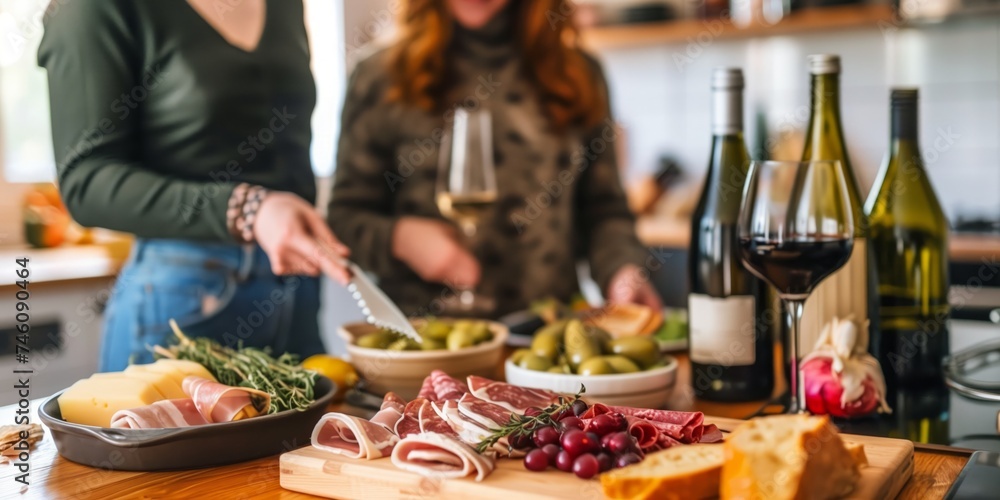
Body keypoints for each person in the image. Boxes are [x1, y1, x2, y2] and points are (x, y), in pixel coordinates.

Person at [38, 0, 349, 371]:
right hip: (182, 306)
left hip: (297, 290)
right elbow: (86, 182)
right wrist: (249, 209)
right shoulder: (95, 7)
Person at [328, 0, 662, 318]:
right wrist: (399, 239)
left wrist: (623, 272)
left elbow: (605, 210)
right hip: (423, 343)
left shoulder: (579, 75)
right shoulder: (380, 76)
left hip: (545, 338)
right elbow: (344, 218)